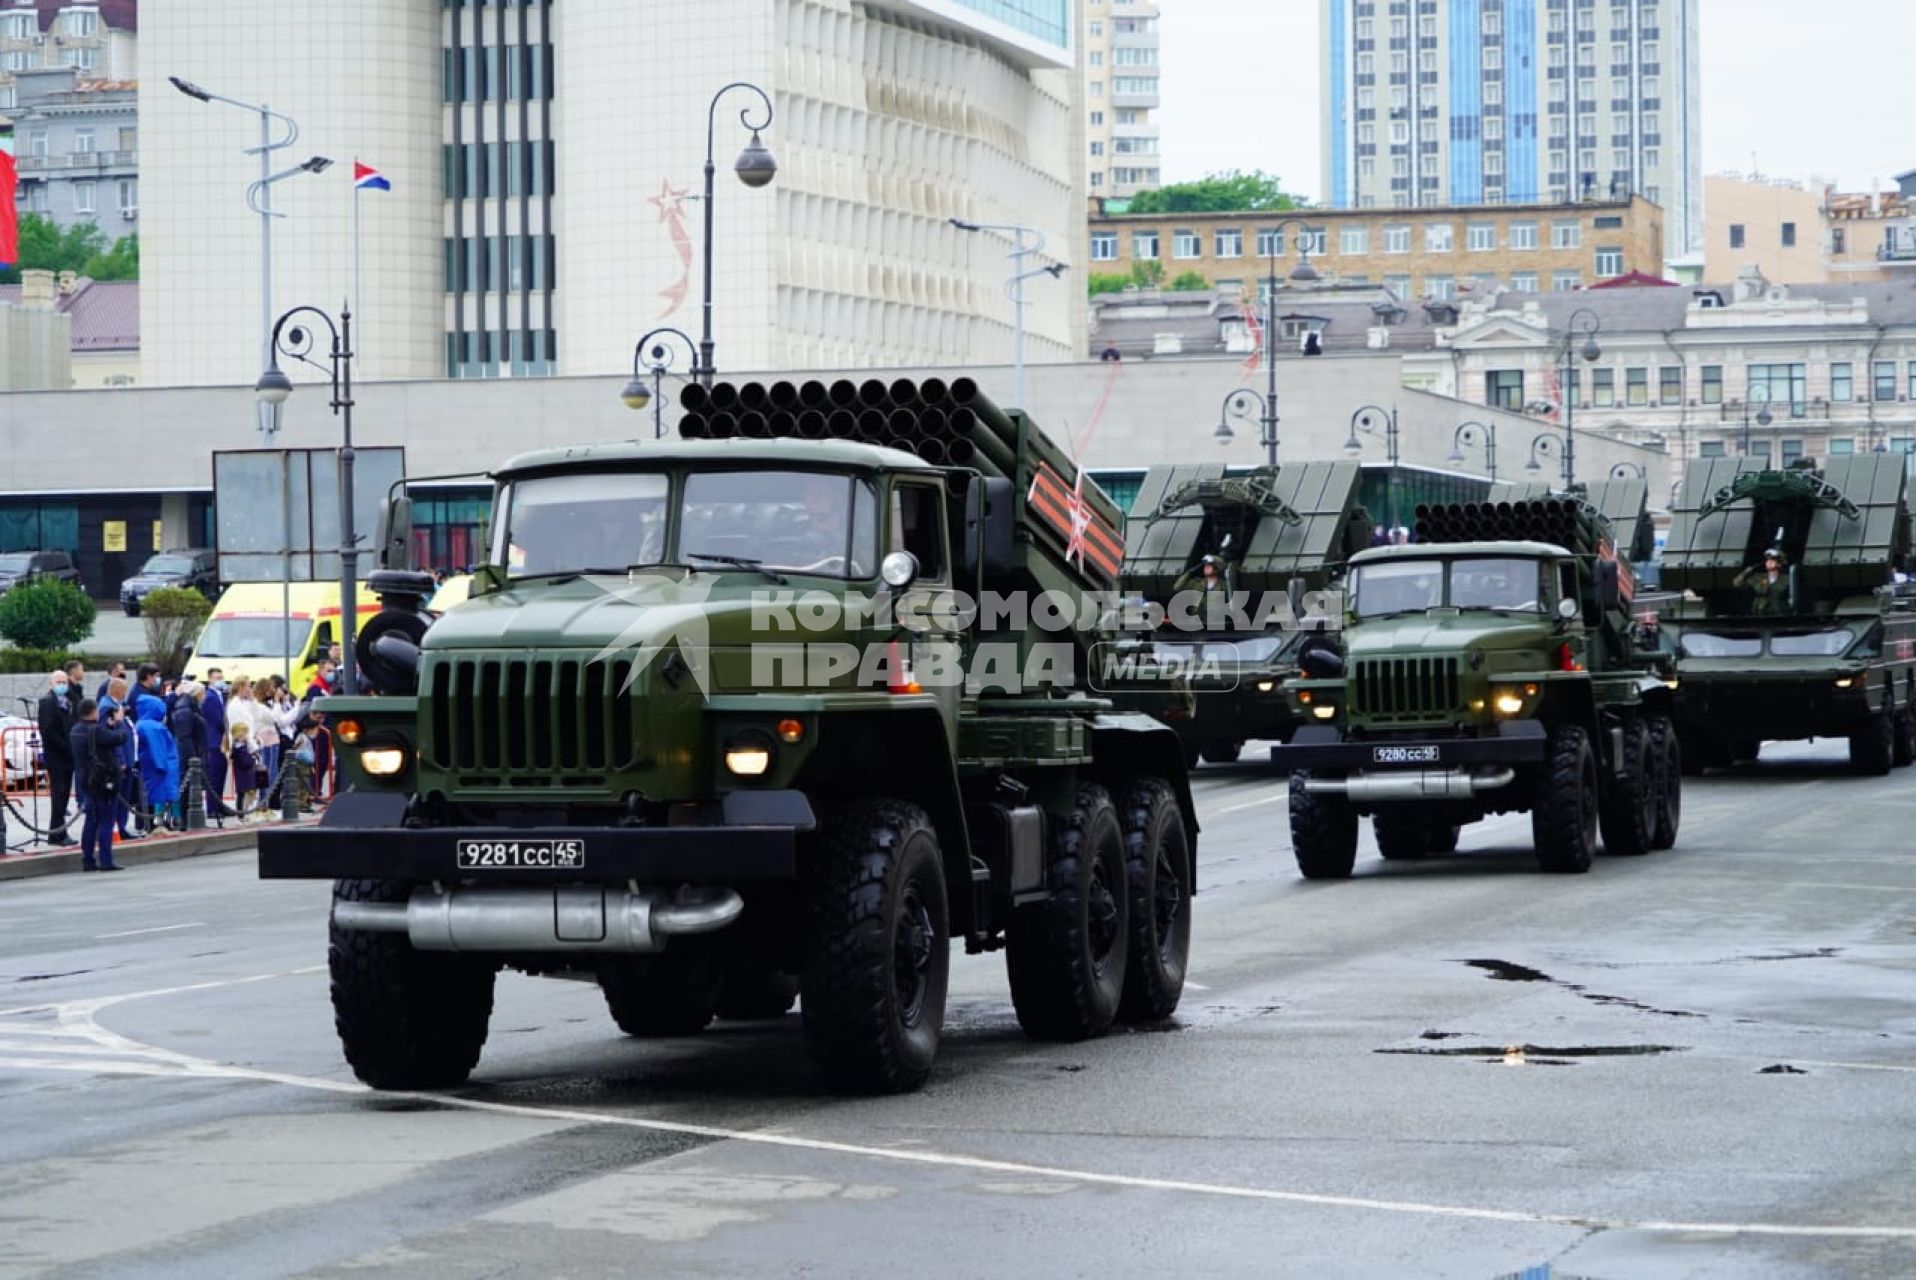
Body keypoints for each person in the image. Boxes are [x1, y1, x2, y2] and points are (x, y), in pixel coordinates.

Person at [68, 698, 126, 871]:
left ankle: (87, 859)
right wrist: (119, 722)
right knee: (106, 820)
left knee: (91, 820)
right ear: (94, 712)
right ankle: (106, 860)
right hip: (102, 780)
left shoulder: (76, 730)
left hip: (85, 779)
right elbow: (120, 738)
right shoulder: (96, 730)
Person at [35, 670, 77, 846]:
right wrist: (66, 747)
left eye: (64, 681)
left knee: (64, 796)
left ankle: (57, 832)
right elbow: (48, 731)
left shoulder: (68, 701)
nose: (62, 685)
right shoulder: (47, 702)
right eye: (59, 682)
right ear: (51, 684)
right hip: (57, 756)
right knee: (59, 797)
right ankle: (59, 833)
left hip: (67, 757)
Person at [134, 693, 180, 831]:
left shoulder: (143, 724)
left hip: (155, 765)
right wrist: (161, 765)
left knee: (155, 795)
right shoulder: (154, 727)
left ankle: (154, 821)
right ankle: (161, 821)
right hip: (163, 766)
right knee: (162, 795)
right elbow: (158, 748)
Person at [201, 669, 232, 818]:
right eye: (217, 677)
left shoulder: (221, 695)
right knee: (214, 776)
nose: (220, 680)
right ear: (210, 679)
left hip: (222, 741)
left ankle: (219, 805)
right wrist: (227, 728)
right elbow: (218, 720)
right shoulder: (210, 697)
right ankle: (212, 808)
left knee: (221, 775)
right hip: (214, 741)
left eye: (222, 677)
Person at [1735, 548, 1791, 616]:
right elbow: (1737, 584)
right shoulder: (1758, 577)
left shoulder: (1787, 579)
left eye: (1773, 560)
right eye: (1768, 559)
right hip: (1760, 615)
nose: (1769, 561)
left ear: (1780, 564)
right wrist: (1748, 570)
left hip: (1779, 614)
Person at [230, 722, 259, 816]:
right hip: (242, 774)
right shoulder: (238, 748)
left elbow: (255, 748)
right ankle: (241, 814)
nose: (245, 736)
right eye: (242, 735)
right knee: (242, 795)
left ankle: (244, 812)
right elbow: (244, 762)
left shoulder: (244, 745)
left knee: (247, 795)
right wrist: (252, 759)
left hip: (246, 774)